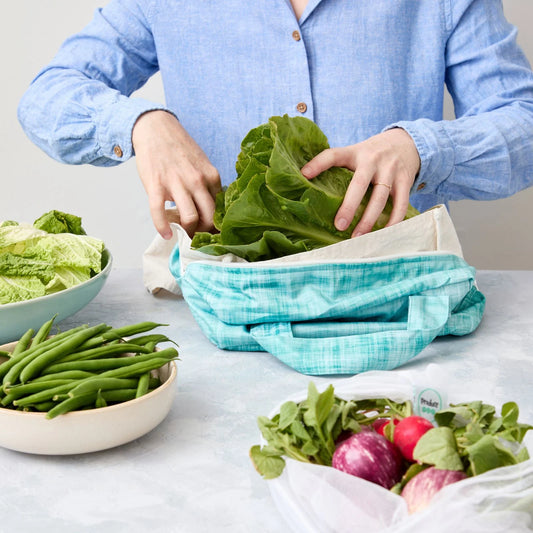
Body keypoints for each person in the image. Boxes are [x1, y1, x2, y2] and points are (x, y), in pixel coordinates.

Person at [17, 0, 533, 242]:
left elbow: (524, 123)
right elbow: (45, 97)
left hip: (400, 302)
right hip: (223, 305)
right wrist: (139, 122)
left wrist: (422, 147)